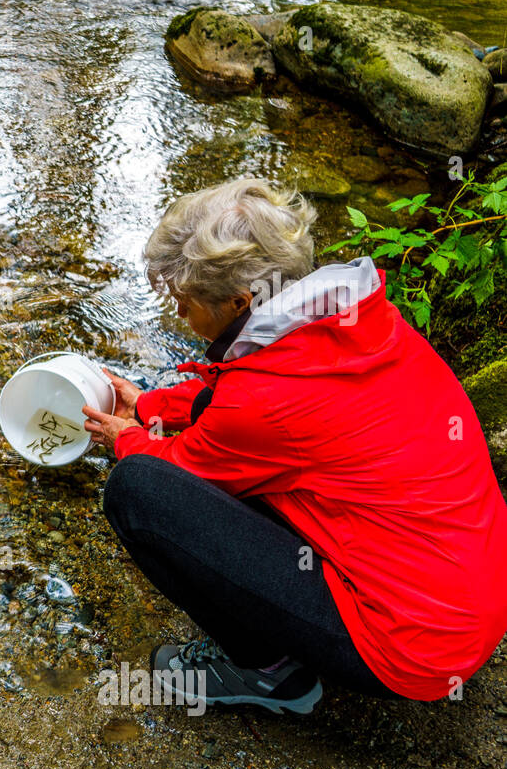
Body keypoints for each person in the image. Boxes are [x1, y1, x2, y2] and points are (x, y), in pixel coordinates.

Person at [81, 178, 507, 714]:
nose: (180, 317)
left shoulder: (262, 401)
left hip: (416, 646)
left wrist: (129, 438)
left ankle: (270, 677)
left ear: (238, 301)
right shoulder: (359, 323)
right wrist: (148, 405)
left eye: (185, 303)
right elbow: (237, 396)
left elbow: (180, 463)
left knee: (137, 492)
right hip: (472, 596)